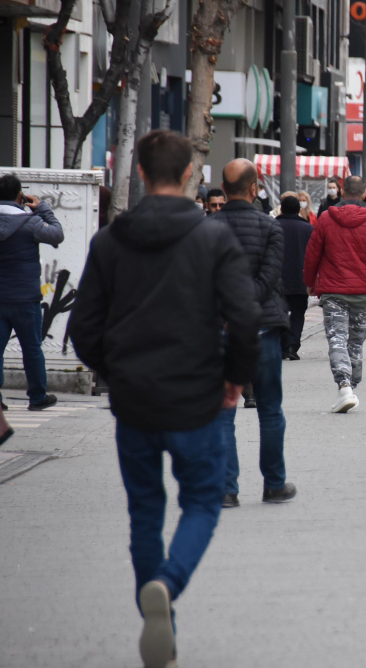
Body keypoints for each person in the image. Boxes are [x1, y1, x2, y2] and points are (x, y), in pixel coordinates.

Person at [68, 129, 260, 668]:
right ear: (189, 175)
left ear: (143, 174)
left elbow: (84, 327)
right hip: (197, 396)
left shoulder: (109, 242)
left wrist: (114, 371)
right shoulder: (212, 238)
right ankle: (169, 585)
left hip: (134, 402)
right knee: (201, 501)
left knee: (144, 512)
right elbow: (243, 318)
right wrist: (234, 379)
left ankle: (162, 624)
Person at [212, 158, 297, 508]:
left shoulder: (205, 228)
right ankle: (274, 484)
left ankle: (226, 489)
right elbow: (270, 277)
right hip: (262, 329)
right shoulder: (270, 228)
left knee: (222, 413)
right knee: (270, 409)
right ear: (254, 188)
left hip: (219, 330)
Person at [304, 175, 366, 412]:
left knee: (337, 339)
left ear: (342, 192)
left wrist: (310, 283)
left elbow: (312, 255)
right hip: (365, 292)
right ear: (365, 194)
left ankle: (344, 385)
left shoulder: (325, 218)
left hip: (334, 291)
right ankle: (351, 384)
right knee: (356, 341)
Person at [0, 173, 63, 412]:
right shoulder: (30, 223)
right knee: (32, 349)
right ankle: (37, 397)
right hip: (26, 299)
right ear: (20, 196)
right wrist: (43, 208)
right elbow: (57, 234)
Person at [275, 196, 313, 360]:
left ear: (281, 209)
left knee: (279, 313)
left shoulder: (273, 226)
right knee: (298, 314)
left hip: (277, 280)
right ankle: (292, 345)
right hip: (300, 278)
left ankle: (282, 346)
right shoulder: (307, 228)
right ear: (299, 209)